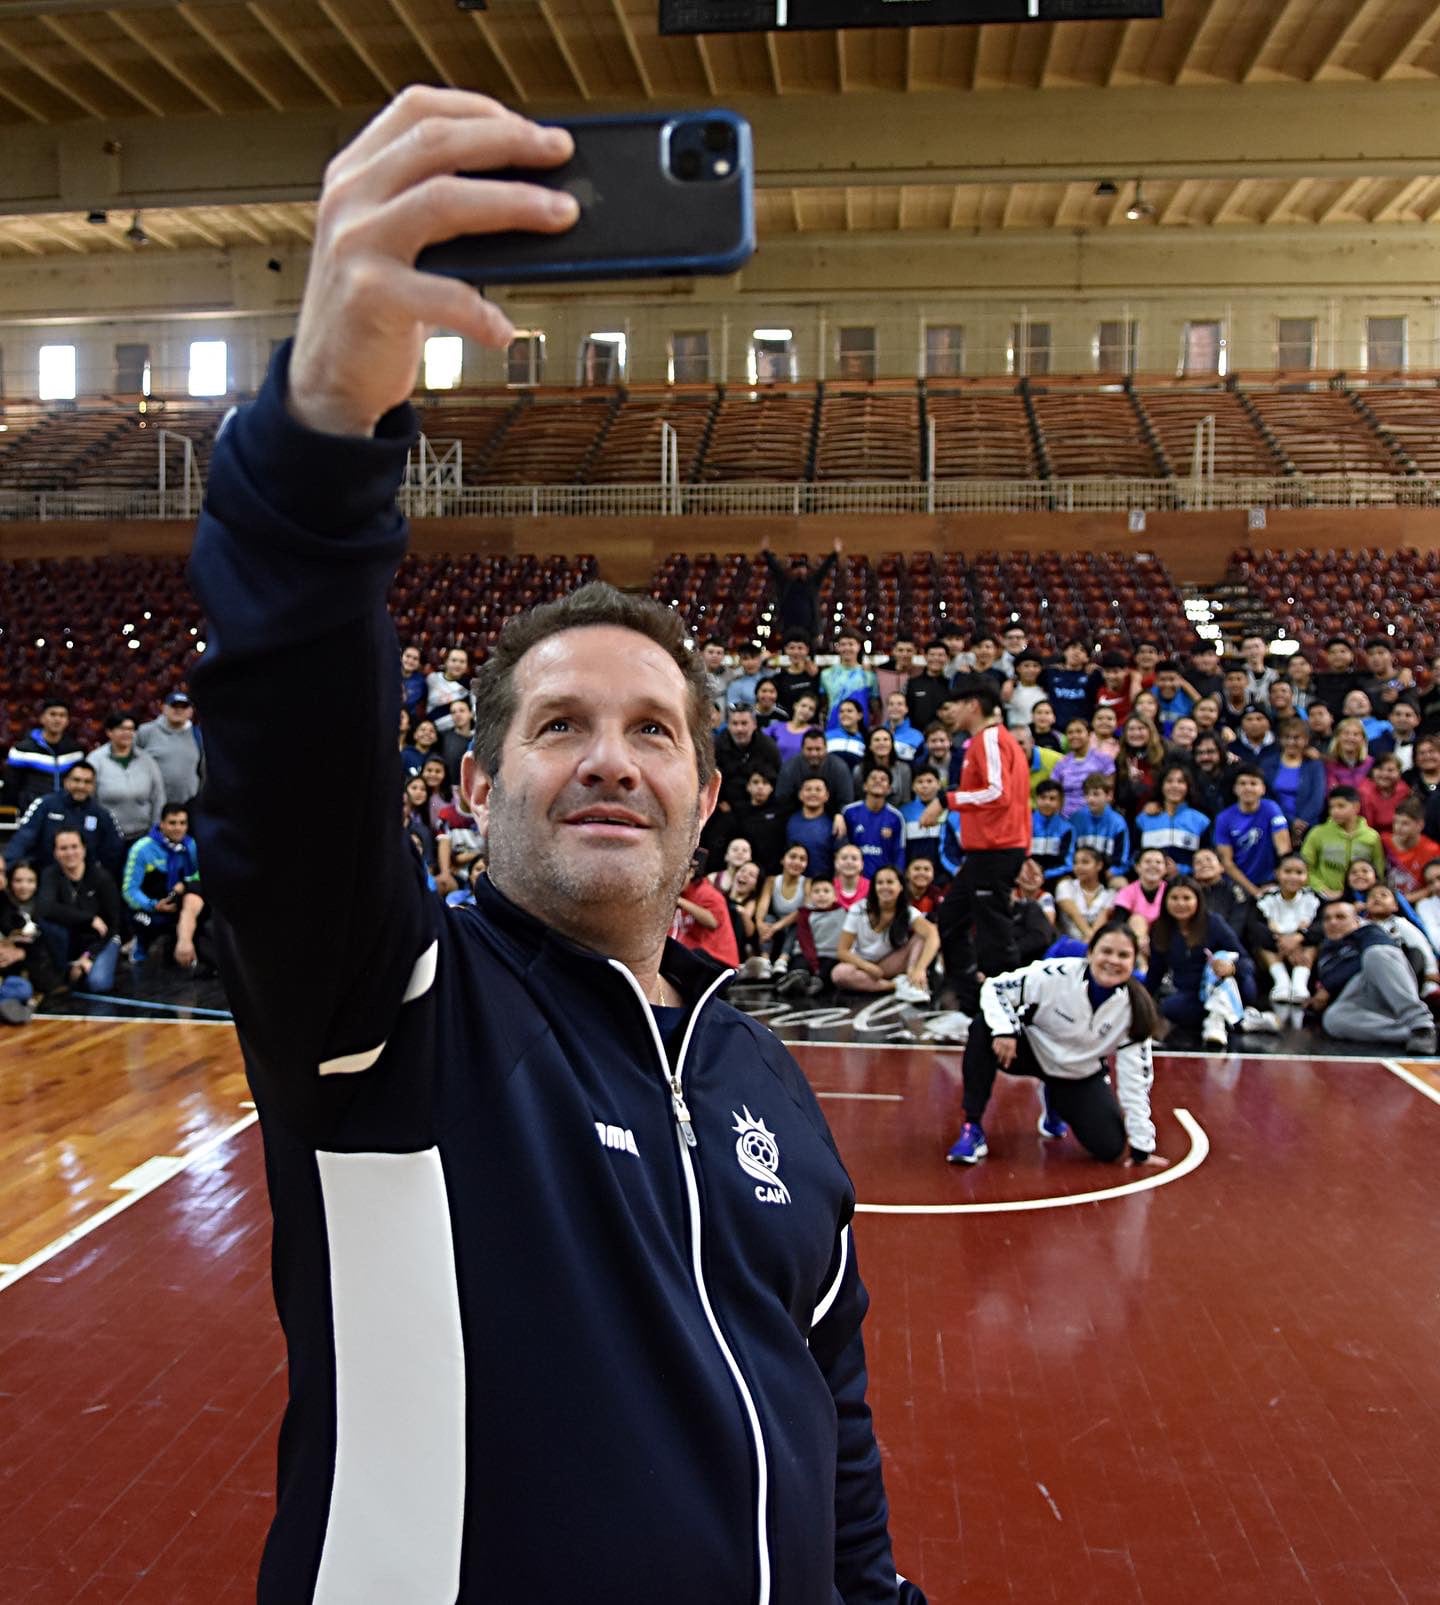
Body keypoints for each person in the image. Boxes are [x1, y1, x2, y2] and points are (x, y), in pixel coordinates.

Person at [190, 95, 926, 1605]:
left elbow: (829, 1411)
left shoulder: (755, 1067)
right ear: (474, 784)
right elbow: (289, 766)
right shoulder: (389, 1013)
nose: (611, 756)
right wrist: (322, 431)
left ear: (705, 794)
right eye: (562, 725)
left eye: (654, 730)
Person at [945, 922, 1163, 1167]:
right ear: (1090, 953)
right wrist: (1005, 1029)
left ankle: (1054, 1100)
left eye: (1123, 955)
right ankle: (972, 1127)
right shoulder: (1055, 974)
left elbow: (1136, 1080)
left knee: (1109, 1148)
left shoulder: (1136, 1011)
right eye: (1106, 951)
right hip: (1029, 1051)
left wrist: (1141, 1146)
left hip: (1077, 1073)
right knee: (982, 1028)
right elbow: (995, 987)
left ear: (1134, 962)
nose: (1113, 961)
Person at [923, 676, 1031, 1014]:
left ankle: (1006, 1012)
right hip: (987, 850)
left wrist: (946, 799)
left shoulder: (989, 740)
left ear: (972, 705)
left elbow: (998, 793)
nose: (948, 711)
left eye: (953, 704)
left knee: (994, 935)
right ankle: (973, 1007)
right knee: (952, 919)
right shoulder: (986, 741)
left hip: (996, 849)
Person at [1145, 878, 1261, 1049]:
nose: (1180, 904)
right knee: (1170, 1007)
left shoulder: (1214, 922)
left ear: (1198, 901)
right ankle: (1239, 1020)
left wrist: (1230, 968)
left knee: (1224, 956)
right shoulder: (1159, 928)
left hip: (1229, 985)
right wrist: (1144, 999)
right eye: (1174, 898)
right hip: (1192, 993)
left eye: (1186, 898)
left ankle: (1221, 1018)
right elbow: (1155, 971)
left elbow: (1246, 962)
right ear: (1165, 901)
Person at [1308, 898, 1435, 1053]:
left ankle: (1421, 1024)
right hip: (1357, 1002)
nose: (1333, 922)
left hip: (1384, 989)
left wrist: (1329, 986)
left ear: (1356, 920)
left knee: (1375, 954)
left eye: (1340, 917)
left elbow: (1378, 954)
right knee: (1332, 1019)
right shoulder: (1324, 951)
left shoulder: (1369, 932)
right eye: (1327, 919)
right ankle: (1414, 1034)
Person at [36, 828, 125, 993]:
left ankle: (101, 966)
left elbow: (113, 926)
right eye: (63, 848)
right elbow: (45, 908)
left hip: (103, 939)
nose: (69, 853)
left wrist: (89, 956)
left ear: (84, 849)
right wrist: (89, 919)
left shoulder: (102, 878)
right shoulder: (50, 874)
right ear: (55, 853)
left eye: (74, 847)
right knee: (45, 924)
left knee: (98, 984)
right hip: (70, 939)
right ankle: (68, 968)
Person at [830, 865, 938, 1002]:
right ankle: (896, 985)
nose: (885, 887)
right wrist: (868, 967)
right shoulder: (858, 909)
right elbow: (842, 951)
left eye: (890, 882)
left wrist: (920, 969)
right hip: (863, 965)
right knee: (839, 974)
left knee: (922, 936)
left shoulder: (908, 911)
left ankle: (911, 977)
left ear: (900, 887)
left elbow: (933, 934)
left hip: (892, 962)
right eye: (880, 883)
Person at [3, 760, 125, 880]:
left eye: (87, 782)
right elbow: (23, 839)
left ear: (93, 786)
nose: (81, 786)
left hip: (85, 881)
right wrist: (4, 868)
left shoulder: (102, 814)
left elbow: (113, 850)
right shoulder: (45, 805)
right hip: (44, 876)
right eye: (76, 780)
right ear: (66, 781)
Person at [122, 802, 208, 968]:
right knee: (148, 924)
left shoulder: (190, 845)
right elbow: (129, 890)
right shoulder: (141, 849)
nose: (178, 828)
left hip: (175, 903)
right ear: (161, 824)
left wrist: (184, 885)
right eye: (172, 823)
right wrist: (153, 905)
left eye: (183, 823)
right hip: (146, 908)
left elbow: (198, 876)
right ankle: (138, 944)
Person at [88, 710, 167, 849]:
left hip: (143, 836)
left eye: (131, 729)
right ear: (109, 732)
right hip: (107, 838)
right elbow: (88, 799)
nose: (127, 733)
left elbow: (158, 797)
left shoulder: (147, 760)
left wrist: (156, 832)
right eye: (121, 729)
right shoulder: (95, 760)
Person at [1213, 767, 1292, 900]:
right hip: (1237, 884)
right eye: (1242, 783)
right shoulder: (1224, 818)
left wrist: (1279, 883)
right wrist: (1254, 892)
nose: (1248, 788)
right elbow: (1227, 862)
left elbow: (1283, 849)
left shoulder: (1272, 809)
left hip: (1270, 882)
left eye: (1253, 783)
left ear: (1263, 789)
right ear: (1235, 789)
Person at [1254, 855, 1322, 1006]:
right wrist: (1284, 942)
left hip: (1302, 948)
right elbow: (1257, 927)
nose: (1293, 877)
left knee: (1313, 944)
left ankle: (1300, 983)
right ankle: (1281, 982)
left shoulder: (1313, 898)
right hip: (1275, 947)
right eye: (1288, 871)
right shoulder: (1266, 898)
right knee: (1261, 945)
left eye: (1299, 872)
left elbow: (1320, 927)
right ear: (1277, 873)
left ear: (1307, 875)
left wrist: (1298, 938)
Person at [1300, 784, 1386, 896]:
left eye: (1341, 806)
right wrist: (1322, 889)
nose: (1334, 811)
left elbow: (1378, 870)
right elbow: (1304, 867)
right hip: (1323, 897)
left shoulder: (1372, 837)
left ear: (1356, 807)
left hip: (1362, 897)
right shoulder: (1318, 833)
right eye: (1331, 807)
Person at [5, 697, 86, 814]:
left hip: (67, 813)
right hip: (32, 813)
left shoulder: (75, 752)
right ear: (42, 718)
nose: (57, 719)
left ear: (67, 721)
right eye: (52, 714)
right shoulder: (22, 750)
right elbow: (11, 787)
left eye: (62, 715)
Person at [760, 536, 840, 647]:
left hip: (810, 629)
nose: (800, 570)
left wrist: (835, 553)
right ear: (792, 571)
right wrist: (766, 552)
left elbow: (824, 569)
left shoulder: (813, 583)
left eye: (803, 568)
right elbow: (775, 568)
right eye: (797, 568)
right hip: (788, 627)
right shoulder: (785, 583)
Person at [1134, 764, 1210, 876]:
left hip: (1188, 882)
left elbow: (1207, 857)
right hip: (1150, 880)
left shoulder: (1201, 820)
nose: (1175, 786)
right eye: (1169, 781)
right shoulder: (1144, 818)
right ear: (1161, 785)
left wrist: (1180, 870)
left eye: (1181, 782)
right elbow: (1134, 854)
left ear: (1188, 786)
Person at [1258, 717, 1327, 839]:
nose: (1291, 742)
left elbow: (1317, 797)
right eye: (1286, 737)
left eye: (1296, 737)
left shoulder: (1314, 765)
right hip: (1275, 825)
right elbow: (1266, 796)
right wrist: (1290, 821)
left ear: (1306, 740)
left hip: (1309, 827)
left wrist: (1301, 822)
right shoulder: (1268, 764)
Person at [136, 690, 205, 809]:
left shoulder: (198, 736)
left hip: (187, 806)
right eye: (174, 706)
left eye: (183, 707)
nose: (178, 710)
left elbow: (204, 772)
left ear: (191, 711)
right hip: (152, 805)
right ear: (164, 708)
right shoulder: (146, 732)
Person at [1068, 772, 1132, 888]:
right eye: (1087, 794)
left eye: (1096, 794)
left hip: (1108, 873)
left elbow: (1123, 858)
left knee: (1120, 884)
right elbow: (1070, 851)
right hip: (1080, 871)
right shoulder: (1075, 819)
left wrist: (1113, 871)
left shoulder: (1118, 822)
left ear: (1108, 796)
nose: (1090, 799)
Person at [842, 767, 907, 881]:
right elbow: (840, 848)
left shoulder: (896, 817)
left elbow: (899, 853)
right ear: (865, 786)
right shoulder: (849, 812)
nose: (878, 781)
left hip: (882, 883)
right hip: (854, 880)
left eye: (883, 779)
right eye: (873, 778)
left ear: (889, 789)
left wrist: (896, 878)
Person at [755, 842, 810, 972]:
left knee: (799, 922)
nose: (797, 862)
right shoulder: (772, 881)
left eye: (802, 859)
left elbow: (803, 911)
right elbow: (762, 907)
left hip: (793, 931)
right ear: (783, 859)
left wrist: (775, 927)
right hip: (774, 930)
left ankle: (782, 961)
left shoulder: (807, 882)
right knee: (767, 918)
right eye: (793, 857)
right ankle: (765, 960)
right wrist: (760, 924)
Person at [1113, 847, 1170, 962]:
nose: (1153, 866)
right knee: (1137, 920)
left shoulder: (1172, 890)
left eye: (1158, 862)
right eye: (1148, 862)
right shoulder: (1127, 891)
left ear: (1165, 869)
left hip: (1164, 940)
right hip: (1136, 943)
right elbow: (1118, 922)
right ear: (1137, 867)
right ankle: (1143, 970)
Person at [1054, 846, 1117, 944]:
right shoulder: (1065, 886)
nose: (1079, 867)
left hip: (1096, 944)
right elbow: (1074, 915)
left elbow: (1100, 923)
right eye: (1075, 863)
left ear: (1099, 865)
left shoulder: (1110, 894)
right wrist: (1089, 942)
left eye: (1085, 862)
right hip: (1067, 943)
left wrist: (1092, 944)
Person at [1052, 717, 1114, 816]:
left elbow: (1110, 793)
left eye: (1079, 731)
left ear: (1089, 735)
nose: (1074, 736)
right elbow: (1054, 792)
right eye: (1070, 732)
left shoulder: (1104, 760)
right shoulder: (1061, 763)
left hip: (1096, 817)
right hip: (1066, 818)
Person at [786, 774, 838, 880]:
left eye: (818, 790)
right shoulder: (789, 820)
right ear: (800, 794)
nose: (813, 793)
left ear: (826, 796)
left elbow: (838, 859)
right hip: (794, 883)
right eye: (808, 789)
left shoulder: (834, 824)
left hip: (821, 885)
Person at [1029, 777, 1075, 887]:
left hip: (1054, 877)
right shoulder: (1025, 824)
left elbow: (1067, 863)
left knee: (1066, 884)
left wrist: (1044, 874)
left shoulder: (1067, 829)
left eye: (1052, 798)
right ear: (1036, 799)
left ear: (1060, 802)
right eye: (1043, 797)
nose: (1047, 802)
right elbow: (1020, 856)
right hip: (1027, 875)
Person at [857, 724, 913, 807]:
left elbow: (906, 801)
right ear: (870, 746)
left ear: (891, 744)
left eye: (886, 739)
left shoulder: (904, 769)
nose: (881, 743)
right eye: (877, 740)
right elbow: (857, 799)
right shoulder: (859, 770)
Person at [425, 644, 471, 714]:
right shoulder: (432, 678)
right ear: (446, 662)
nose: (458, 664)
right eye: (454, 660)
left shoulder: (469, 686)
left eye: (462, 661)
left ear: (466, 665)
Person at [832, 842, 871, 911]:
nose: (849, 862)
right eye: (844, 858)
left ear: (862, 864)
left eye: (854, 858)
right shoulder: (828, 886)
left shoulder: (871, 888)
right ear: (836, 863)